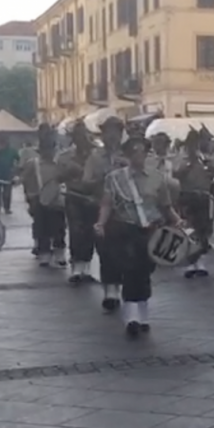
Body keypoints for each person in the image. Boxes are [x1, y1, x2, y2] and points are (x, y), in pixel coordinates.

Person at [94, 133, 182, 335]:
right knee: (130, 270)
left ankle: (142, 313)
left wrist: (178, 221)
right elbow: (107, 203)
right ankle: (131, 317)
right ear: (126, 154)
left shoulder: (157, 178)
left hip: (150, 230)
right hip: (125, 228)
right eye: (134, 151)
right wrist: (100, 223)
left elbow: (166, 207)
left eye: (143, 150)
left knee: (145, 271)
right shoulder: (115, 178)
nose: (139, 155)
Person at [82, 115, 128, 311]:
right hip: (101, 207)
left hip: (125, 210)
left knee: (124, 252)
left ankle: (122, 286)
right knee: (106, 250)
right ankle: (110, 290)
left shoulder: (128, 155)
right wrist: (99, 179)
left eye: (115, 132)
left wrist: (125, 166)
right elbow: (86, 182)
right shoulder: (95, 157)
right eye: (107, 132)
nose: (111, 136)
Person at [57, 121, 98, 283]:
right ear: (73, 138)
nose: (82, 139)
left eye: (84, 135)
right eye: (78, 135)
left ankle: (86, 267)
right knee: (76, 230)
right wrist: (68, 173)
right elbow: (57, 177)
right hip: (74, 195)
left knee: (90, 231)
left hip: (93, 196)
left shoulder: (96, 155)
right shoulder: (65, 156)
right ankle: (76, 267)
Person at [174, 129, 214, 278]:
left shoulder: (205, 158)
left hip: (204, 196)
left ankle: (201, 261)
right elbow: (176, 174)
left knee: (204, 229)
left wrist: (211, 169)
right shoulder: (182, 157)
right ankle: (191, 262)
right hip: (188, 195)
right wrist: (188, 165)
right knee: (190, 230)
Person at [21, 133, 67, 268]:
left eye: (51, 149)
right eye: (46, 149)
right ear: (40, 150)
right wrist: (30, 197)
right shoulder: (33, 164)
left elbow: (66, 178)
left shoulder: (60, 164)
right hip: (39, 199)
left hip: (58, 200)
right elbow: (26, 180)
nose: (49, 152)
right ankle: (44, 253)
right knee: (42, 227)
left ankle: (60, 253)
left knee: (59, 227)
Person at [0, 135, 20, 215]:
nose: (3, 145)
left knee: (7, 194)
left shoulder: (12, 151)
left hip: (7, 176)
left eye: (4, 143)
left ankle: (7, 208)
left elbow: (18, 159)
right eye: (1, 143)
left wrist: (15, 170)